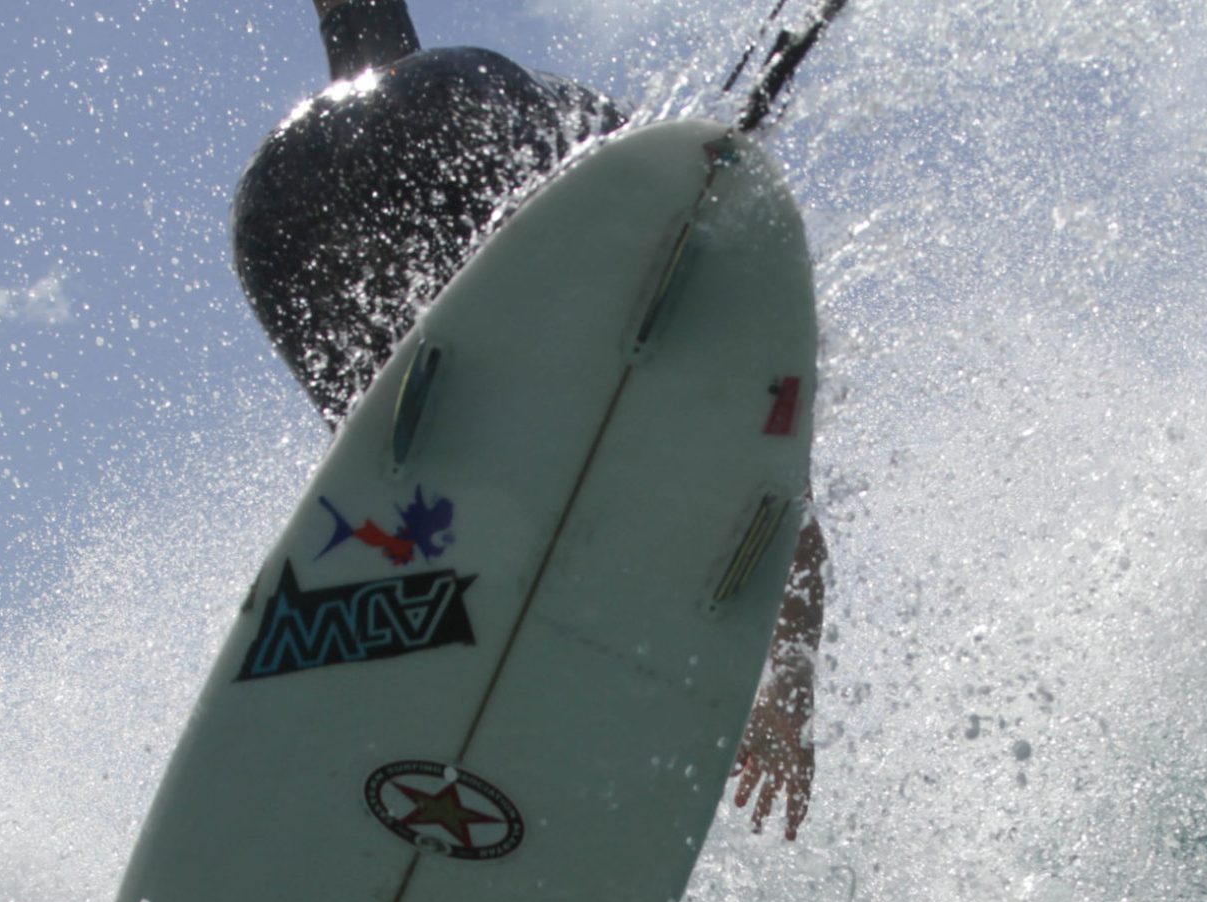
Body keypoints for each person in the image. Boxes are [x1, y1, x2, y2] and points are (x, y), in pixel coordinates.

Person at [233, 0, 825, 839]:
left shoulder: (648, 250)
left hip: (279, 206)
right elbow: (789, 521)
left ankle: (381, 655)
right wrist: (787, 701)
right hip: (462, 117)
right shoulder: (710, 369)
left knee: (410, 461)